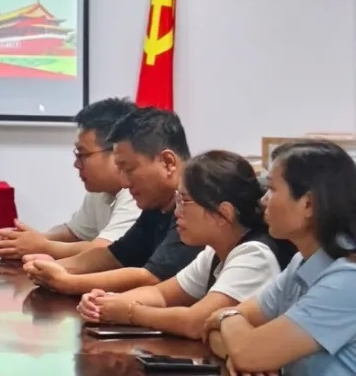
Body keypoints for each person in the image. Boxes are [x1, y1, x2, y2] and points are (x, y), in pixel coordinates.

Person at [78, 150, 293, 340]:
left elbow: (195, 322)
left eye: (184, 201)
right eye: (177, 200)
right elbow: (161, 294)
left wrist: (130, 313)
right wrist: (105, 302)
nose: (177, 212)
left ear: (223, 213)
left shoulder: (254, 255)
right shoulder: (214, 252)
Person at [204, 140, 356, 375]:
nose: (263, 200)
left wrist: (229, 320)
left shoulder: (347, 280)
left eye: (272, 189)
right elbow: (214, 330)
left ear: (308, 204)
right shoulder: (301, 263)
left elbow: (248, 352)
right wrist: (234, 349)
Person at [25, 107, 201, 296]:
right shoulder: (158, 203)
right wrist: (54, 267)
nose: (124, 183)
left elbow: (153, 277)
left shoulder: (198, 203)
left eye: (129, 169)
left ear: (167, 162)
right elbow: (116, 256)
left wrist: (68, 282)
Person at [0, 98, 140, 260]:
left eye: (83, 154)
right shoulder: (102, 190)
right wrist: (30, 239)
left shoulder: (137, 192)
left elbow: (106, 250)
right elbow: (74, 233)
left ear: (117, 152)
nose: (76, 164)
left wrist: (43, 246)